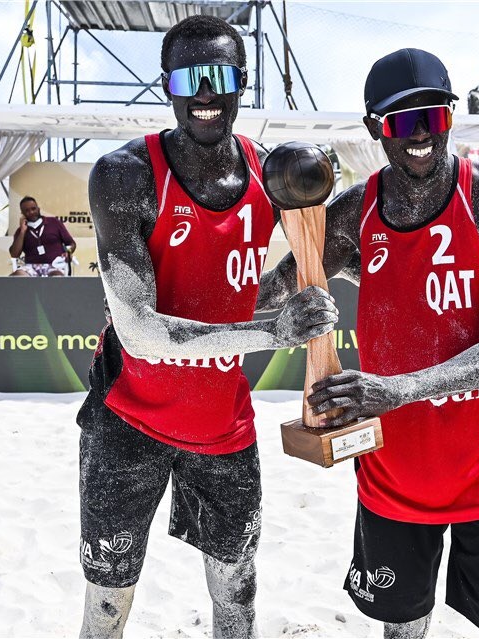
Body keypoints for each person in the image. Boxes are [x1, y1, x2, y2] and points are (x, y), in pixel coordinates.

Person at [259, 48, 479, 639]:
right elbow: (266, 292)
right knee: (401, 628)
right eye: (400, 122)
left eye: (433, 117)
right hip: (393, 470)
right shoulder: (352, 215)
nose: (419, 135)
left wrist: (397, 390)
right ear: (374, 130)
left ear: (451, 117)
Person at [77, 16, 337, 639]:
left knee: (237, 596)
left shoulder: (268, 174)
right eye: (187, 76)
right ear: (165, 84)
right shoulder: (124, 175)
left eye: (220, 75)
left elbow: (252, 285)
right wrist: (279, 331)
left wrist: (303, 287)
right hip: (128, 424)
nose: (205, 92)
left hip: (224, 428)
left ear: (243, 82)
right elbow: (140, 332)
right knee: (107, 600)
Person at [8, 196, 76, 276]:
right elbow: (14, 254)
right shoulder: (20, 231)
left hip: (54, 265)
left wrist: (68, 252)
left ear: (38, 208)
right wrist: (23, 231)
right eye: (27, 211)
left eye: (33, 209)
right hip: (31, 267)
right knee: (17, 275)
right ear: (22, 214)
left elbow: (72, 243)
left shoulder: (54, 222)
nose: (31, 212)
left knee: (57, 277)